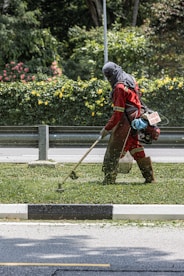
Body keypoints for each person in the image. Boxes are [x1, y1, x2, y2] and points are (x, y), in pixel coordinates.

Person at [100, 61, 155, 185]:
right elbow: (138, 97)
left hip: (126, 122)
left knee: (114, 149)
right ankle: (149, 177)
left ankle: (109, 179)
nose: (109, 79)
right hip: (136, 118)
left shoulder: (119, 87)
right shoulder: (130, 79)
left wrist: (107, 129)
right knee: (135, 146)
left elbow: (118, 113)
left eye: (109, 76)